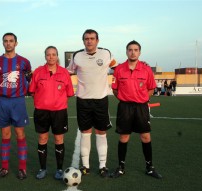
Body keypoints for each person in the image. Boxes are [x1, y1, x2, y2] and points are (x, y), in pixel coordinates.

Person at [67, 29, 117, 178]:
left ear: (97, 40)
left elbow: (118, 68)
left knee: (101, 133)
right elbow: (67, 72)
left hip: (101, 100)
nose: (89, 41)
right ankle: (86, 166)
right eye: (86, 39)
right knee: (85, 133)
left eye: (92, 38)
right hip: (83, 100)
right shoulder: (77, 56)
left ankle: (102, 166)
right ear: (83, 41)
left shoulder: (106, 53)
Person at [110, 40, 162, 179]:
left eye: (136, 50)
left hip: (141, 107)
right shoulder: (119, 69)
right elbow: (115, 89)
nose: (133, 52)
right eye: (130, 49)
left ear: (139, 52)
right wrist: (125, 98)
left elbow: (151, 88)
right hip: (125, 107)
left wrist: (141, 98)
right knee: (124, 137)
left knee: (145, 136)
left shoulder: (146, 69)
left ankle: (149, 167)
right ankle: (121, 168)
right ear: (126, 51)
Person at [29, 46, 74, 180]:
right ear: (45, 56)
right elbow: (32, 91)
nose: (51, 57)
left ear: (57, 56)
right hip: (41, 112)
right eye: (48, 55)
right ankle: (42, 169)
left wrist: (57, 102)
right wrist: (43, 102)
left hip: (59, 112)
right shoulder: (37, 72)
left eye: (53, 54)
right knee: (42, 138)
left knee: (59, 139)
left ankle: (59, 169)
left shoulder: (64, 73)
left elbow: (69, 93)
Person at [0, 32, 32, 180]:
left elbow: (28, 76)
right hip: (2, 101)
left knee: (20, 134)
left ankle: (22, 168)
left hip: (18, 101)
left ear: (16, 43)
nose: (8, 43)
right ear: (3, 43)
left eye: (11, 41)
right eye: (6, 41)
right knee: (5, 135)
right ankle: (5, 167)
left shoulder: (24, 62)